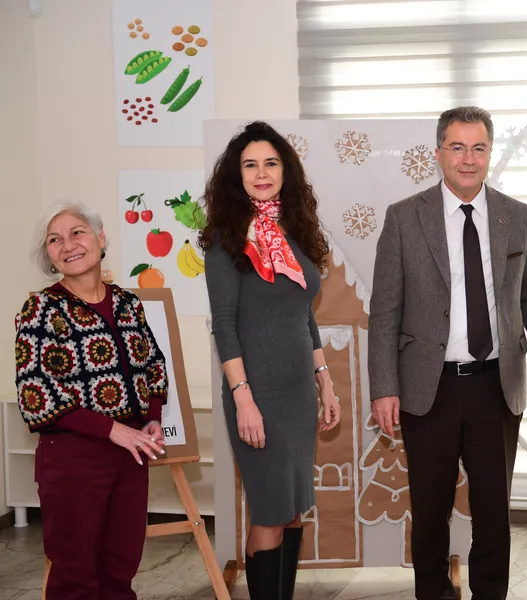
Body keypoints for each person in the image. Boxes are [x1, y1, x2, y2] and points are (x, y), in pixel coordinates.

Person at [369, 106, 527, 600]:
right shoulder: (404, 217)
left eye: (478, 148)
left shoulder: (516, 215)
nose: (468, 159)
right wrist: (384, 387)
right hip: (427, 387)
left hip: (495, 386)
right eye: (457, 147)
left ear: (490, 153)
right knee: (430, 509)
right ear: (438, 153)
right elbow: (385, 310)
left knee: (494, 511)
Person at [200, 121, 340, 600]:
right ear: (236, 175)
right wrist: (244, 400)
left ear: (285, 170)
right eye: (250, 165)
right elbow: (224, 325)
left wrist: (325, 381)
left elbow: (303, 313)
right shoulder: (224, 240)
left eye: (270, 163)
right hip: (255, 393)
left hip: (298, 393)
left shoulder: (295, 232)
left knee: (293, 509)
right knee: (270, 511)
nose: (261, 173)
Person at [15, 200, 168, 599]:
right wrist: (111, 429)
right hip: (72, 458)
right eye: (55, 239)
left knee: (120, 571)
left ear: (100, 238)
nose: (68, 245)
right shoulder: (41, 309)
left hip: (131, 455)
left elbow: (154, 365)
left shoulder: (128, 304)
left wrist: (151, 418)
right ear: (49, 255)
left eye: (77, 232)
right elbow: (35, 392)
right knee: (75, 577)